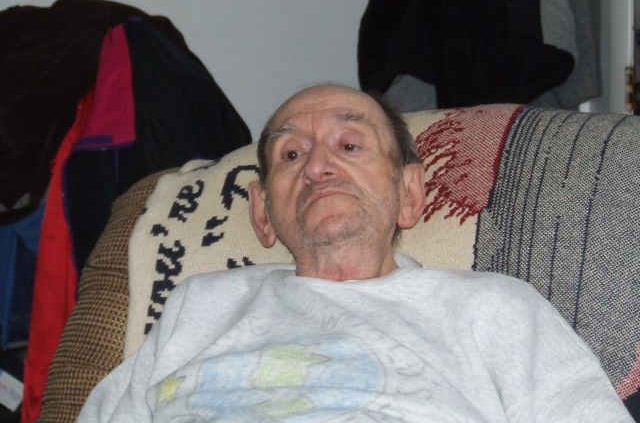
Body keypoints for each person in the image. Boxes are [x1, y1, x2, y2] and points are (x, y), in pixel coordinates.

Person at [77, 84, 632, 422]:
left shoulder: (495, 306)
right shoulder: (197, 305)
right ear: (262, 212)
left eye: (349, 145)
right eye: (291, 154)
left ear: (409, 193)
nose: (318, 166)